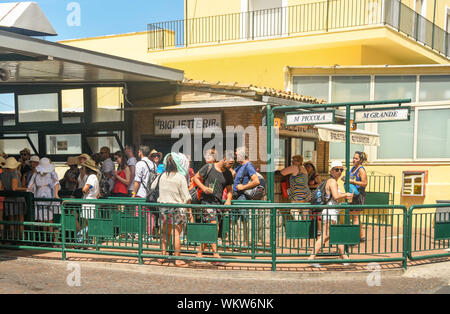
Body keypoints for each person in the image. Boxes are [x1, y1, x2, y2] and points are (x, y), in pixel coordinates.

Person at [308, 160, 353, 267]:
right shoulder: (332, 182)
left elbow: (335, 197)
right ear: (331, 171)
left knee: (334, 235)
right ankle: (312, 257)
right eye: (336, 169)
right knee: (326, 235)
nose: (339, 172)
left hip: (331, 211)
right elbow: (336, 196)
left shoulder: (331, 181)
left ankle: (344, 257)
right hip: (330, 212)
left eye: (341, 170)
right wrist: (346, 194)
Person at [192, 150, 234, 265]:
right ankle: (216, 255)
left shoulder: (228, 174)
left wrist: (229, 200)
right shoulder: (208, 167)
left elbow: (230, 190)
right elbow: (195, 178)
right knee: (214, 226)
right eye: (230, 163)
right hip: (206, 202)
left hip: (218, 203)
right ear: (224, 159)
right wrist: (204, 187)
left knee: (211, 228)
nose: (231, 165)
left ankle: (199, 253)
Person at [152, 153, 192, 267]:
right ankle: (177, 259)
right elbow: (187, 196)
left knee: (164, 233)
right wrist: (189, 211)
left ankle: (163, 255)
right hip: (177, 209)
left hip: (163, 208)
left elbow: (152, 187)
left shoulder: (162, 175)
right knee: (176, 234)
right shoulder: (180, 177)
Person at [232, 147, 260, 247]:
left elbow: (256, 181)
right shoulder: (239, 166)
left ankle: (246, 243)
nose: (235, 157)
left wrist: (243, 187)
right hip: (236, 196)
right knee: (234, 219)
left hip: (242, 196)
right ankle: (236, 243)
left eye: (236, 155)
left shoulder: (249, 166)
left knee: (244, 219)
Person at [27, 157, 60, 243]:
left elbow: (56, 183)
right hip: (39, 199)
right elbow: (30, 187)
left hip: (49, 200)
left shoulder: (52, 174)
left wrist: (56, 195)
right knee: (43, 220)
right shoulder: (36, 175)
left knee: (50, 220)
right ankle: (47, 239)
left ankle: (54, 239)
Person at [131, 145, 157, 238]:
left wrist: (133, 193)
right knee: (149, 214)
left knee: (138, 213)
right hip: (151, 194)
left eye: (138, 152)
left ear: (141, 152)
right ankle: (149, 234)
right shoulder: (153, 164)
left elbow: (137, 180)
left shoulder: (139, 164)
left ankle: (139, 233)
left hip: (141, 193)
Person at [0, 157, 28, 240]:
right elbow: (14, 188)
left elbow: (1, 188)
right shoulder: (14, 173)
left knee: (11, 219)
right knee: (20, 220)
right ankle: (21, 237)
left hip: (8, 199)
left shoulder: (2, 174)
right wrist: (27, 188)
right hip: (18, 198)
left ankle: (12, 238)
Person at [280, 155, 311, 221]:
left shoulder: (294, 167)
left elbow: (282, 172)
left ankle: (299, 225)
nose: (292, 162)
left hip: (297, 193)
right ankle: (306, 227)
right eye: (292, 160)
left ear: (299, 162)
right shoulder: (304, 169)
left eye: (294, 160)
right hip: (306, 193)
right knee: (305, 211)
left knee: (294, 211)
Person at [345, 151, 368, 242]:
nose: (353, 160)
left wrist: (353, 182)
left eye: (356, 158)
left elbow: (365, 183)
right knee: (354, 216)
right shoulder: (352, 168)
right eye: (353, 158)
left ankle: (354, 238)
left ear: (360, 160)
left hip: (359, 194)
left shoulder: (361, 170)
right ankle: (361, 236)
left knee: (355, 216)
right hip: (352, 194)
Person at [77, 159, 100, 244]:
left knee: (88, 222)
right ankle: (90, 239)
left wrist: (84, 190)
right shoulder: (95, 177)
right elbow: (98, 193)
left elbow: (86, 188)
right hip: (92, 201)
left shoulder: (91, 177)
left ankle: (89, 240)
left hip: (89, 203)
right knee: (90, 222)